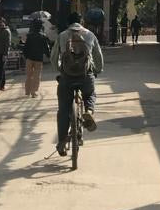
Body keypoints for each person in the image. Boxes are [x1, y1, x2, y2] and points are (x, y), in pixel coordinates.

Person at [51, 14, 104, 157]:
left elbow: (54, 57)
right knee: (90, 94)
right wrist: (97, 70)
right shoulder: (89, 34)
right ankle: (89, 111)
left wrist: (59, 69)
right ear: (81, 22)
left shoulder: (62, 35)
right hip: (85, 76)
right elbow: (98, 56)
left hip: (67, 77)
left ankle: (62, 141)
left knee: (63, 110)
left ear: (68, 23)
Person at [22, 18, 50, 97]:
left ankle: (27, 91)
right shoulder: (43, 36)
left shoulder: (29, 36)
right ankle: (33, 92)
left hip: (29, 58)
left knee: (28, 76)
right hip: (38, 59)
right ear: (40, 27)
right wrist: (48, 55)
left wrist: (25, 56)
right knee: (36, 76)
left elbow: (26, 47)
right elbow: (46, 48)